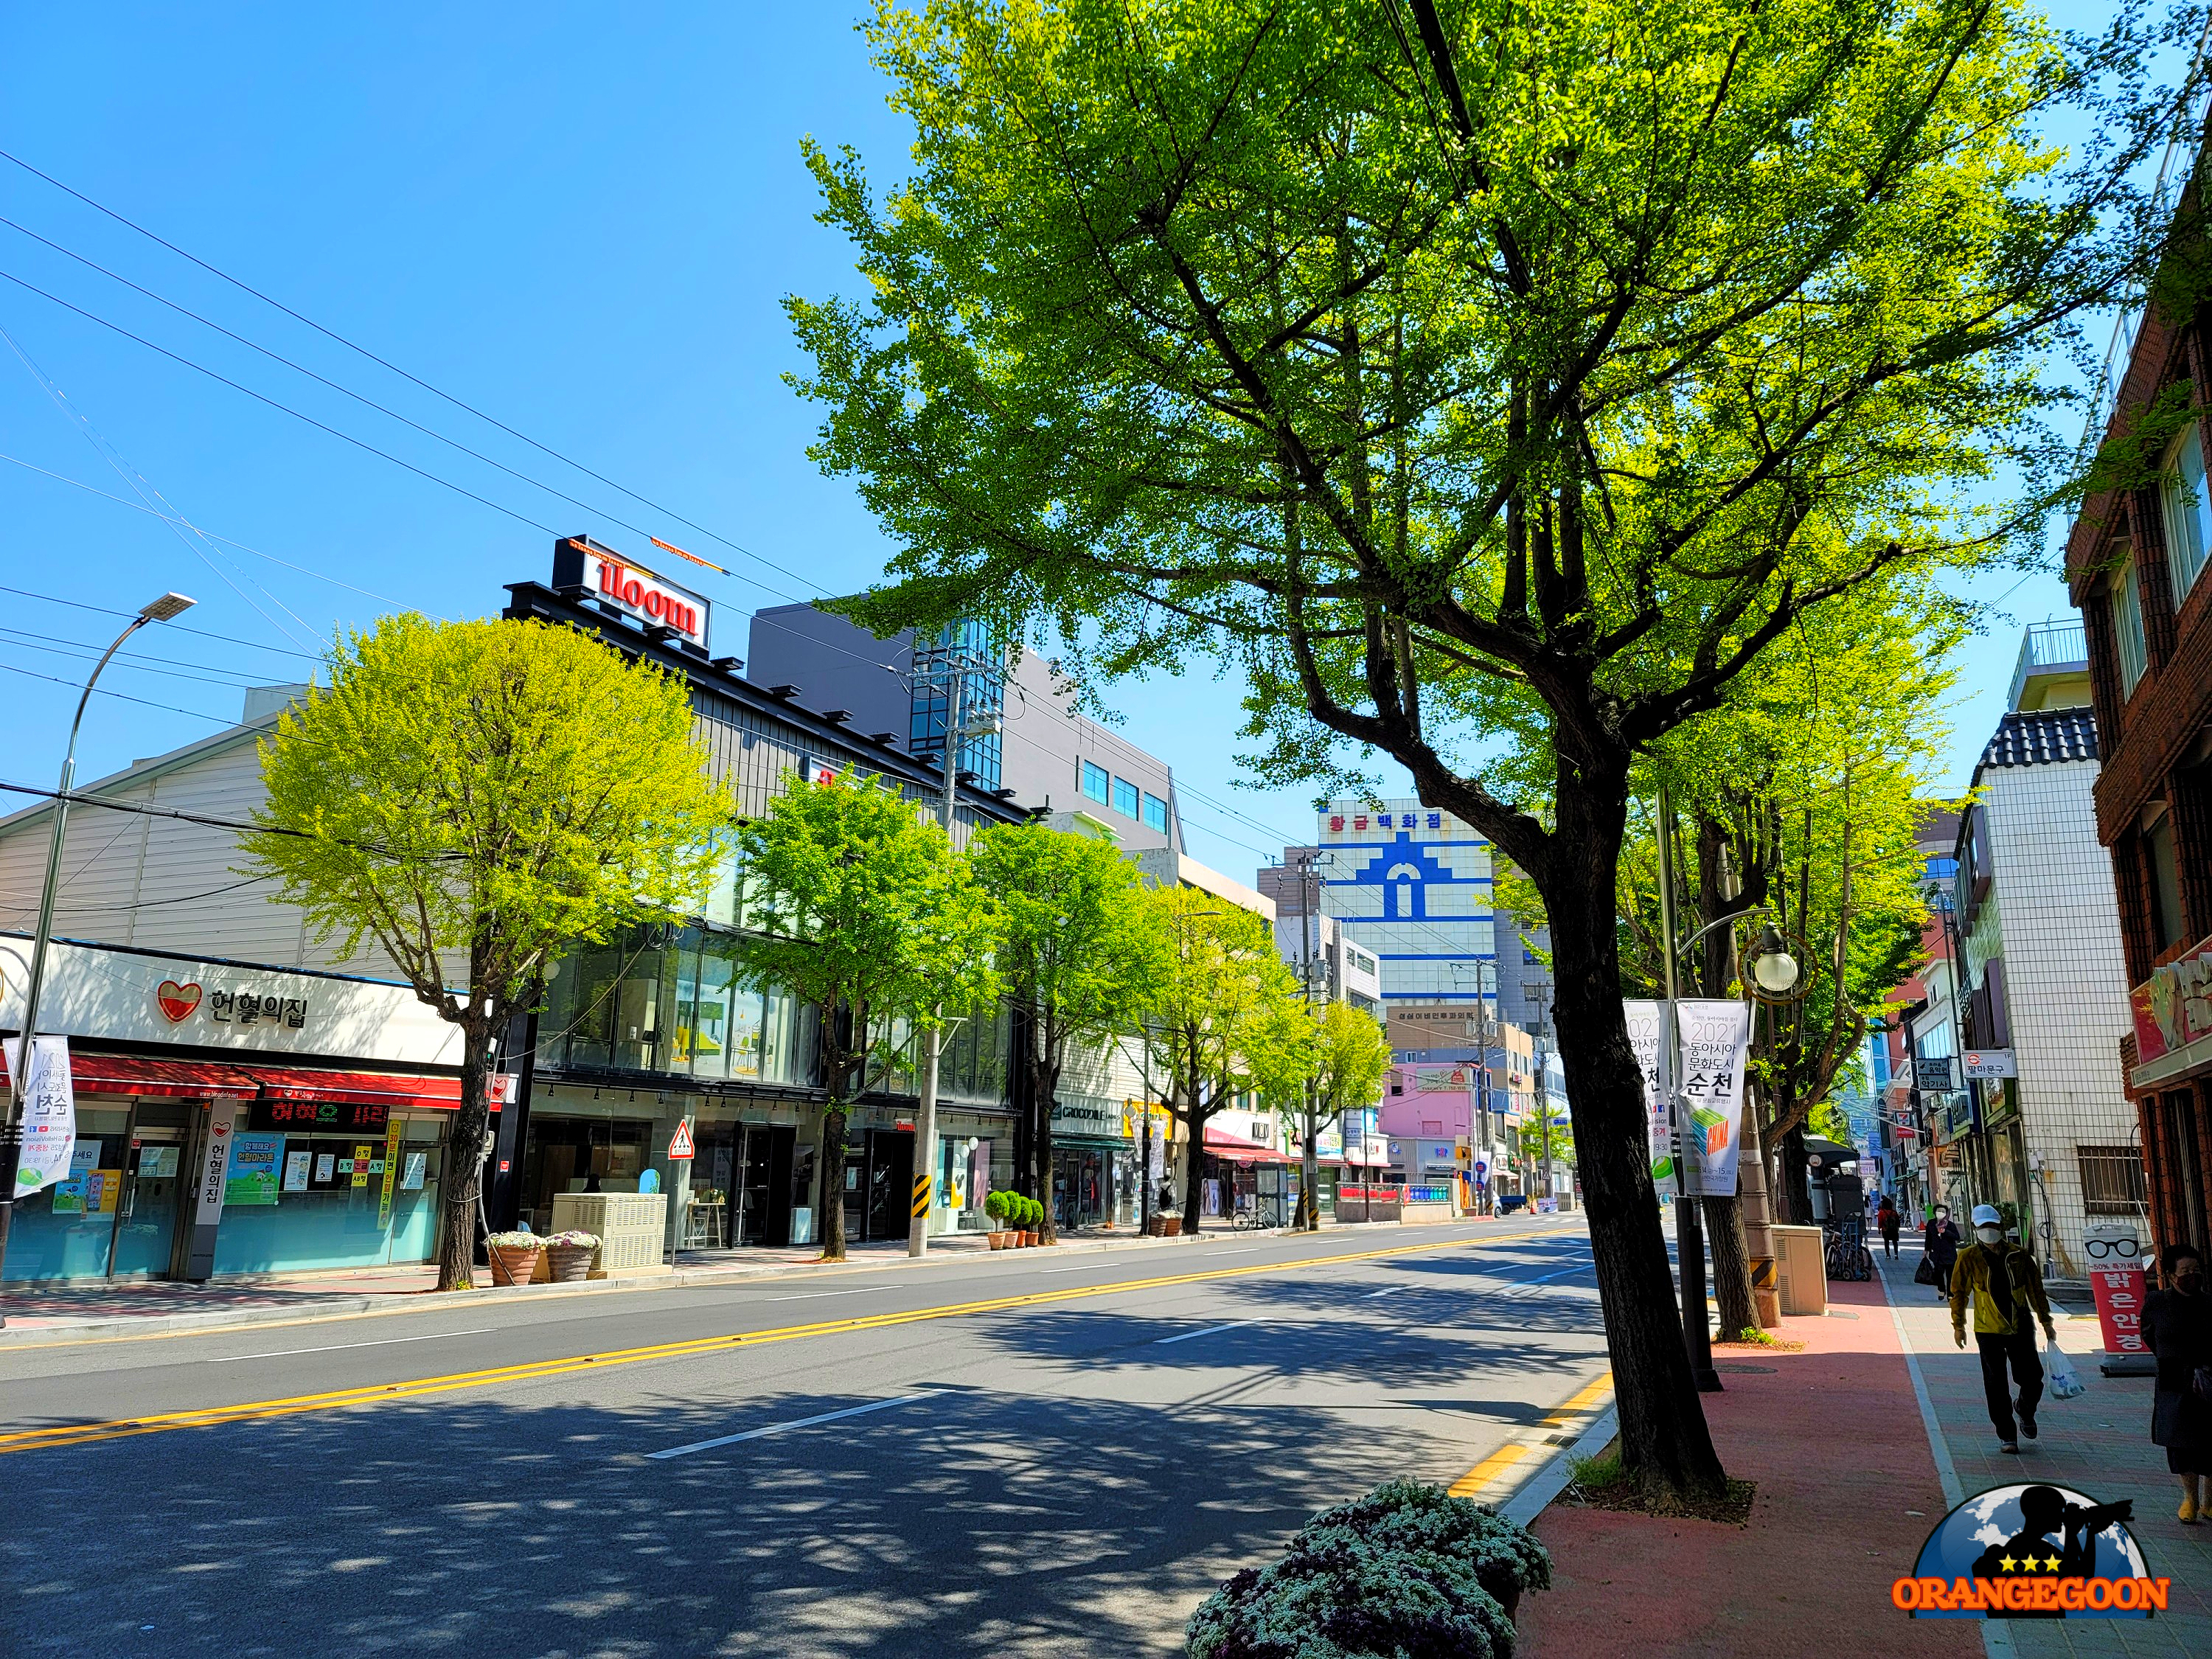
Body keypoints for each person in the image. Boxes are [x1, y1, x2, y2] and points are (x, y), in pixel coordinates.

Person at [1952, 1203, 2056, 1454]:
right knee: (1996, 1383)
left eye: (1992, 1226)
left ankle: (2025, 1408)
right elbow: (1958, 1293)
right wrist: (1959, 1325)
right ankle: (2007, 1435)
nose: (1989, 1231)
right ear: (1976, 1229)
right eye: (1983, 1227)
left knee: (2033, 1378)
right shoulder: (1969, 1258)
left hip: (2020, 1324)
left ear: (2000, 1227)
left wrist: (2046, 1322)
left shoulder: (2019, 1255)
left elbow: (2036, 1291)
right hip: (1988, 1329)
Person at [2143, 1242, 2212, 1523]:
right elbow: (2148, 1334)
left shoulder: (2209, 1303)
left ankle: (2209, 1501)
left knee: (2210, 1440)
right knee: (2180, 1443)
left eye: (2196, 1270)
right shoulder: (2157, 1302)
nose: (2191, 1275)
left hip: (2208, 1379)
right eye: (2185, 1270)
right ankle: (2190, 1499)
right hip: (2174, 1379)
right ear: (2171, 1275)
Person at [1924, 1204, 1961, 1295]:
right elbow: (1928, 1237)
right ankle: (1941, 1289)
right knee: (1938, 1273)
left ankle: (1950, 1294)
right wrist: (1926, 1249)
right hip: (1937, 1254)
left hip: (1949, 1254)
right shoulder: (1931, 1224)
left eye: (1943, 1212)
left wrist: (1945, 1232)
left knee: (1950, 1276)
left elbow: (1957, 1237)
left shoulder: (1950, 1225)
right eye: (1939, 1211)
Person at [1879, 1194, 1901, 1260]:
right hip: (1894, 1230)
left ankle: (1888, 1255)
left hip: (1885, 1229)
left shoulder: (1881, 1212)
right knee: (1895, 1242)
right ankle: (1896, 1254)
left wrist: (1879, 1228)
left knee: (1886, 1242)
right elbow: (1898, 1221)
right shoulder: (1894, 1212)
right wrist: (1897, 1228)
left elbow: (1880, 1221)